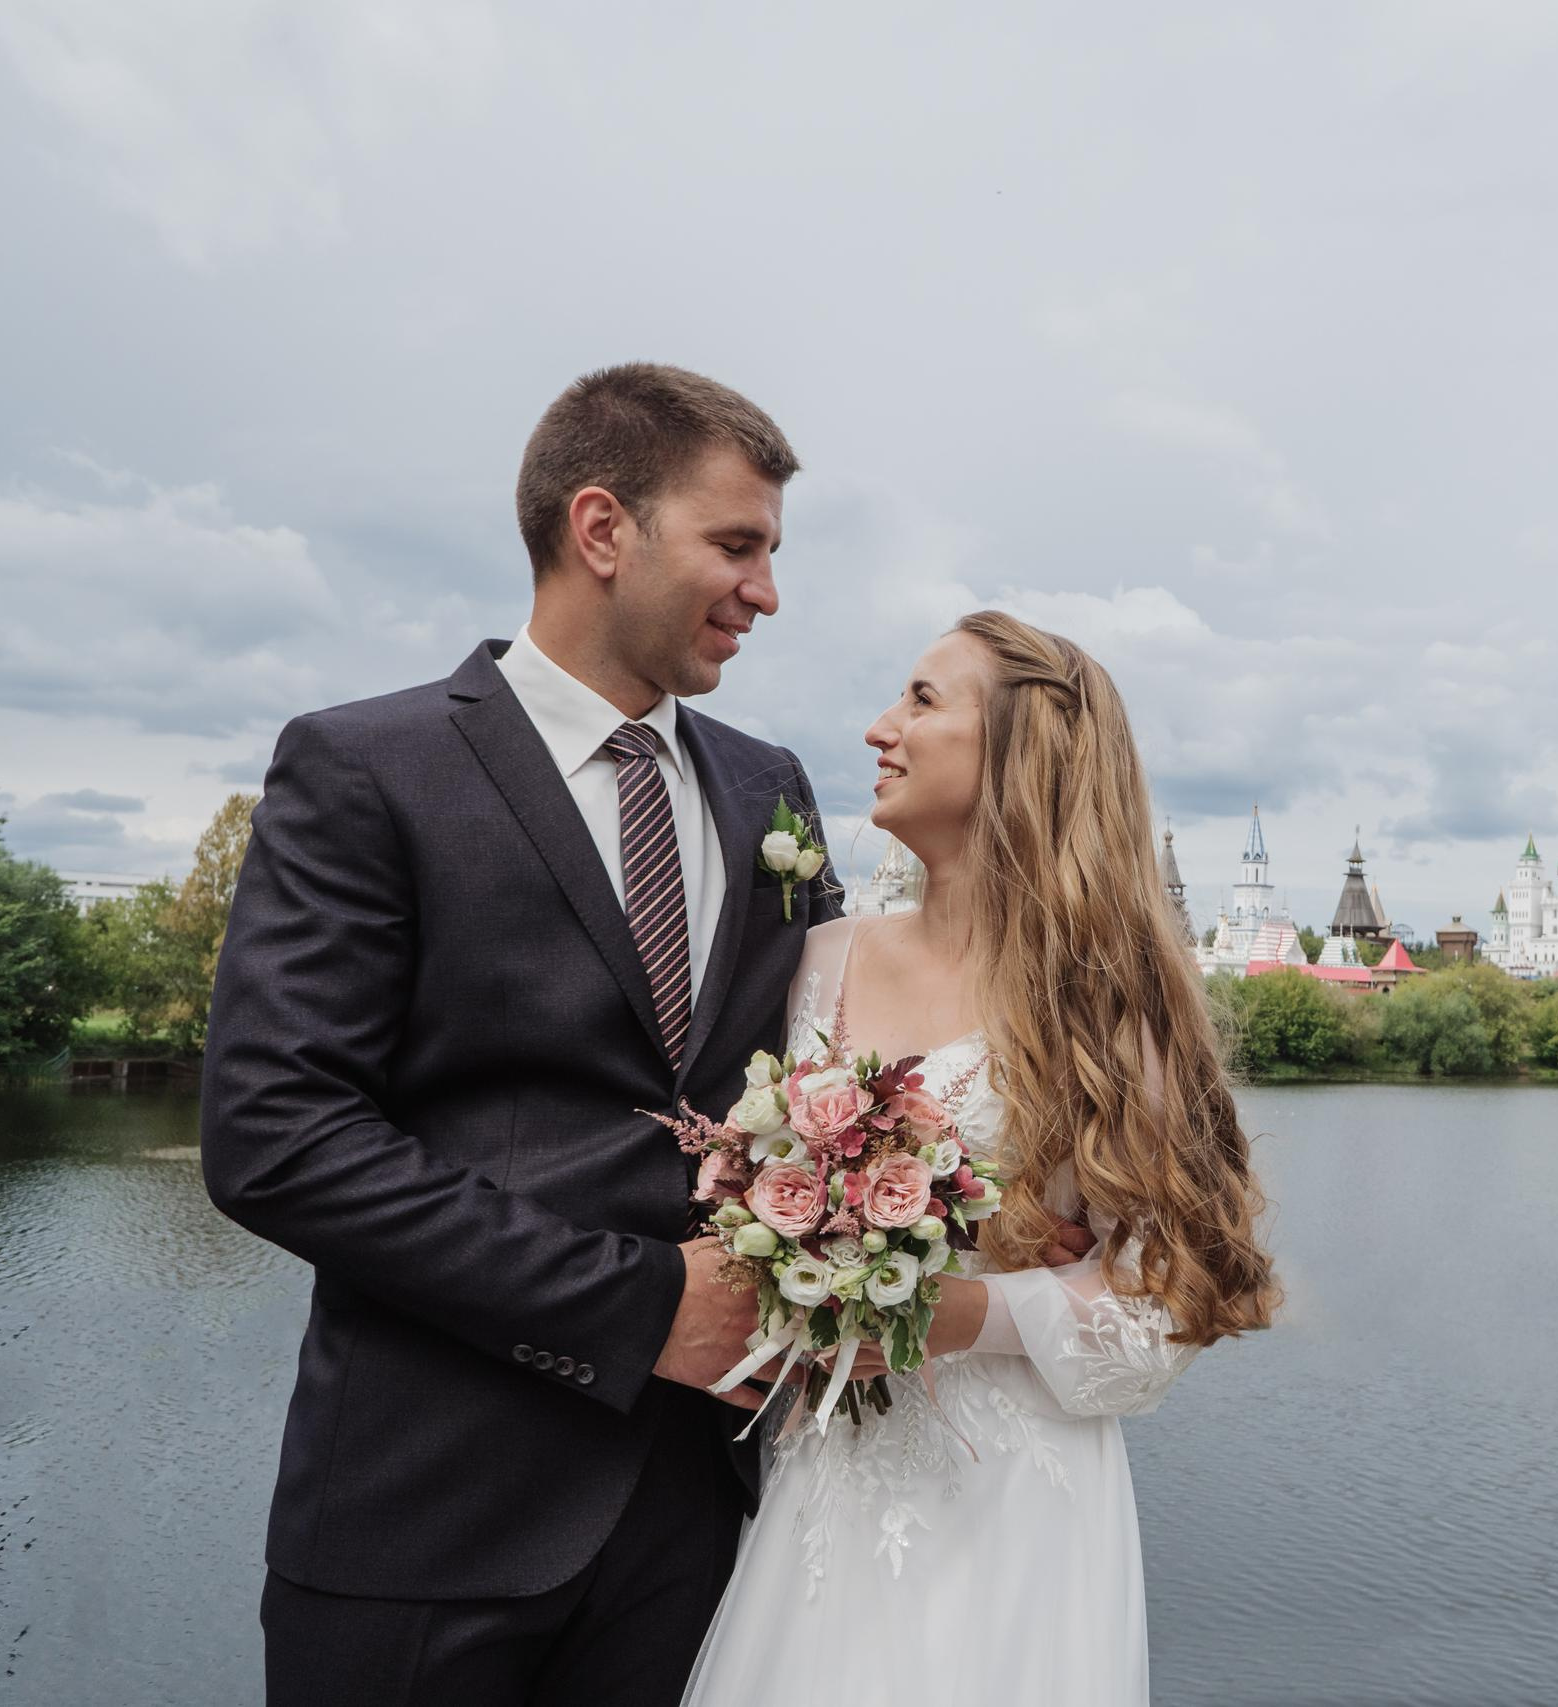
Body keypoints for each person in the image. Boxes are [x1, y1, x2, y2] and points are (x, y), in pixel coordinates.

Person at [203, 363, 841, 1705]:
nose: (767, 591)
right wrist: (643, 1302)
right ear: (602, 529)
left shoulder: (772, 787)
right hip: (427, 1516)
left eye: (772, 552)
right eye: (737, 544)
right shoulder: (367, 767)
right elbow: (278, 1139)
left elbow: (842, 1061)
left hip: (703, 1519)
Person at [680, 611, 1280, 1706]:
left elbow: (1170, 1307)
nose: (878, 729)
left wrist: (970, 1312)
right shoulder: (817, 958)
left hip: (1013, 1501)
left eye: (921, 700)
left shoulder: (1109, 1003)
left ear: (1019, 750)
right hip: (823, 1491)